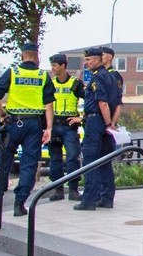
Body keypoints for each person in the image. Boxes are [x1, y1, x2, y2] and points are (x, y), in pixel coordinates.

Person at [0, 42, 55, 218]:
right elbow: (49, 105)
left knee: (2, 163)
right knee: (29, 165)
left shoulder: (12, 72)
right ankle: (19, 204)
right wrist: (49, 128)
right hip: (34, 124)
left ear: (22, 55)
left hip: (13, 123)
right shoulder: (43, 76)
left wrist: (2, 114)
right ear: (37, 57)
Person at [74, 48, 115, 211]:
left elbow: (102, 103)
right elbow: (117, 103)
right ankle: (106, 198)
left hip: (95, 120)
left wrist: (107, 123)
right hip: (105, 122)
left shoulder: (97, 77)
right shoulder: (110, 76)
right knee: (104, 161)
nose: (86, 63)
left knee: (90, 161)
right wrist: (111, 124)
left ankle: (89, 200)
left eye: (88, 60)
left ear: (97, 60)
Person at [47, 53, 85, 201]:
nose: (52, 68)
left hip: (69, 127)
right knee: (55, 160)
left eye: (54, 65)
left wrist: (81, 117)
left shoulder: (76, 83)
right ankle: (58, 190)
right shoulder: (50, 83)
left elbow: (89, 101)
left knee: (72, 158)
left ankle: (73, 189)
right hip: (54, 126)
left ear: (63, 66)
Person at [99, 46, 124, 208]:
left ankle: (106, 195)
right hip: (98, 122)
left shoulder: (114, 76)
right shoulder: (99, 74)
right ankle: (100, 193)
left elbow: (118, 102)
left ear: (109, 57)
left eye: (102, 55)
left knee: (104, 161)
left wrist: (112, 123)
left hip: (106, 123)